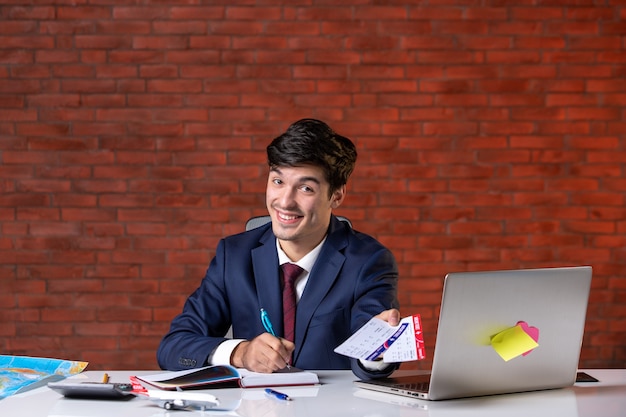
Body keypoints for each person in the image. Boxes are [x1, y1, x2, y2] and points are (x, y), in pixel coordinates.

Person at [157, 119, 401, 380]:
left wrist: (377, 350)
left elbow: (370, 353)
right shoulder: (234, 256)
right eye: (277, 181)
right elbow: (173, 347)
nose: (284, 202)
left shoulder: (369, 261)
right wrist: (240, 353)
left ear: (336, 196)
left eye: (305, 188)